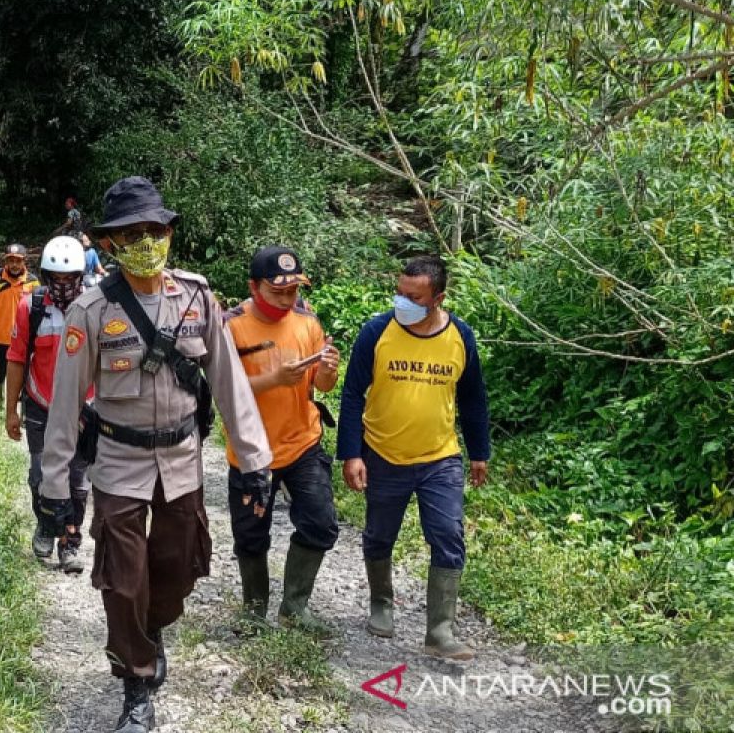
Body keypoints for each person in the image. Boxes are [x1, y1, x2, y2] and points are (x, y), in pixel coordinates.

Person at [37, 176, 272, 733]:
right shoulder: (92, 310)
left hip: (183, 459)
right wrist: (53, 490)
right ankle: (136, 683)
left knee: (176, 568)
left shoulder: (196, 297)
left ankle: (154, 629)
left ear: (168, 233)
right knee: (122, 581)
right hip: (118, 462)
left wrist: (255, 463)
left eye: (154, 230)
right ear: (112, 243)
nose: (145, 241)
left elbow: (229, 383)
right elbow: (66, 404)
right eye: (131, 233)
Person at [337, 255, 490, 661]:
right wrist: (351, 453)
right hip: (383, 453)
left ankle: (440, 630)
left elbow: (473, 397)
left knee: (447, 534)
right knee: (380, 533)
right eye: (400, 292)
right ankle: (381, 602)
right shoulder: (377, 331)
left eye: (413, 296)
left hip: (440, 457)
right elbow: (352, 394)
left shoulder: (460, 337)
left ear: (438, 298)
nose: (402, 302)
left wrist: (480, 452)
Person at [224, 245, 341, 632]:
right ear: (254, 287)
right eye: (278, 292)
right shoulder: (232, 325)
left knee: (321, 523)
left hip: (302, 441)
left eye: (293, 290)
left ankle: (295, 606)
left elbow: (322, 386)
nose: (287, 299)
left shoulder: (307, 322)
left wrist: (327, 369)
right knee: (250, 535)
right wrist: (274, 379)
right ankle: (254, 610)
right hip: (251, 450)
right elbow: (223, 390)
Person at [5, 236, 93, 573]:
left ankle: (70, 542)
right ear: (44, 276)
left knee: (77, 479)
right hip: (41, 402)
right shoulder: (32, 306)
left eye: (69, 279)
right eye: (55, 279)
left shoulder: (94, 307)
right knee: (40, 472)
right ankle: (46, 523)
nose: (63, 286)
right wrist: (11, 410)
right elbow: (15, 358)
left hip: (84, 405)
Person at [0, 244, 40, 407]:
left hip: (24, 339)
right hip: (1, 337)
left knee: (26, 374)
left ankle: (25, 408)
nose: (14, 265)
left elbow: (40, 310)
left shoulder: (33, 282)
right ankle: (0, 400)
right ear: (5, 261)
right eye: (10, 260)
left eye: (18, 261)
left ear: (24, 261)